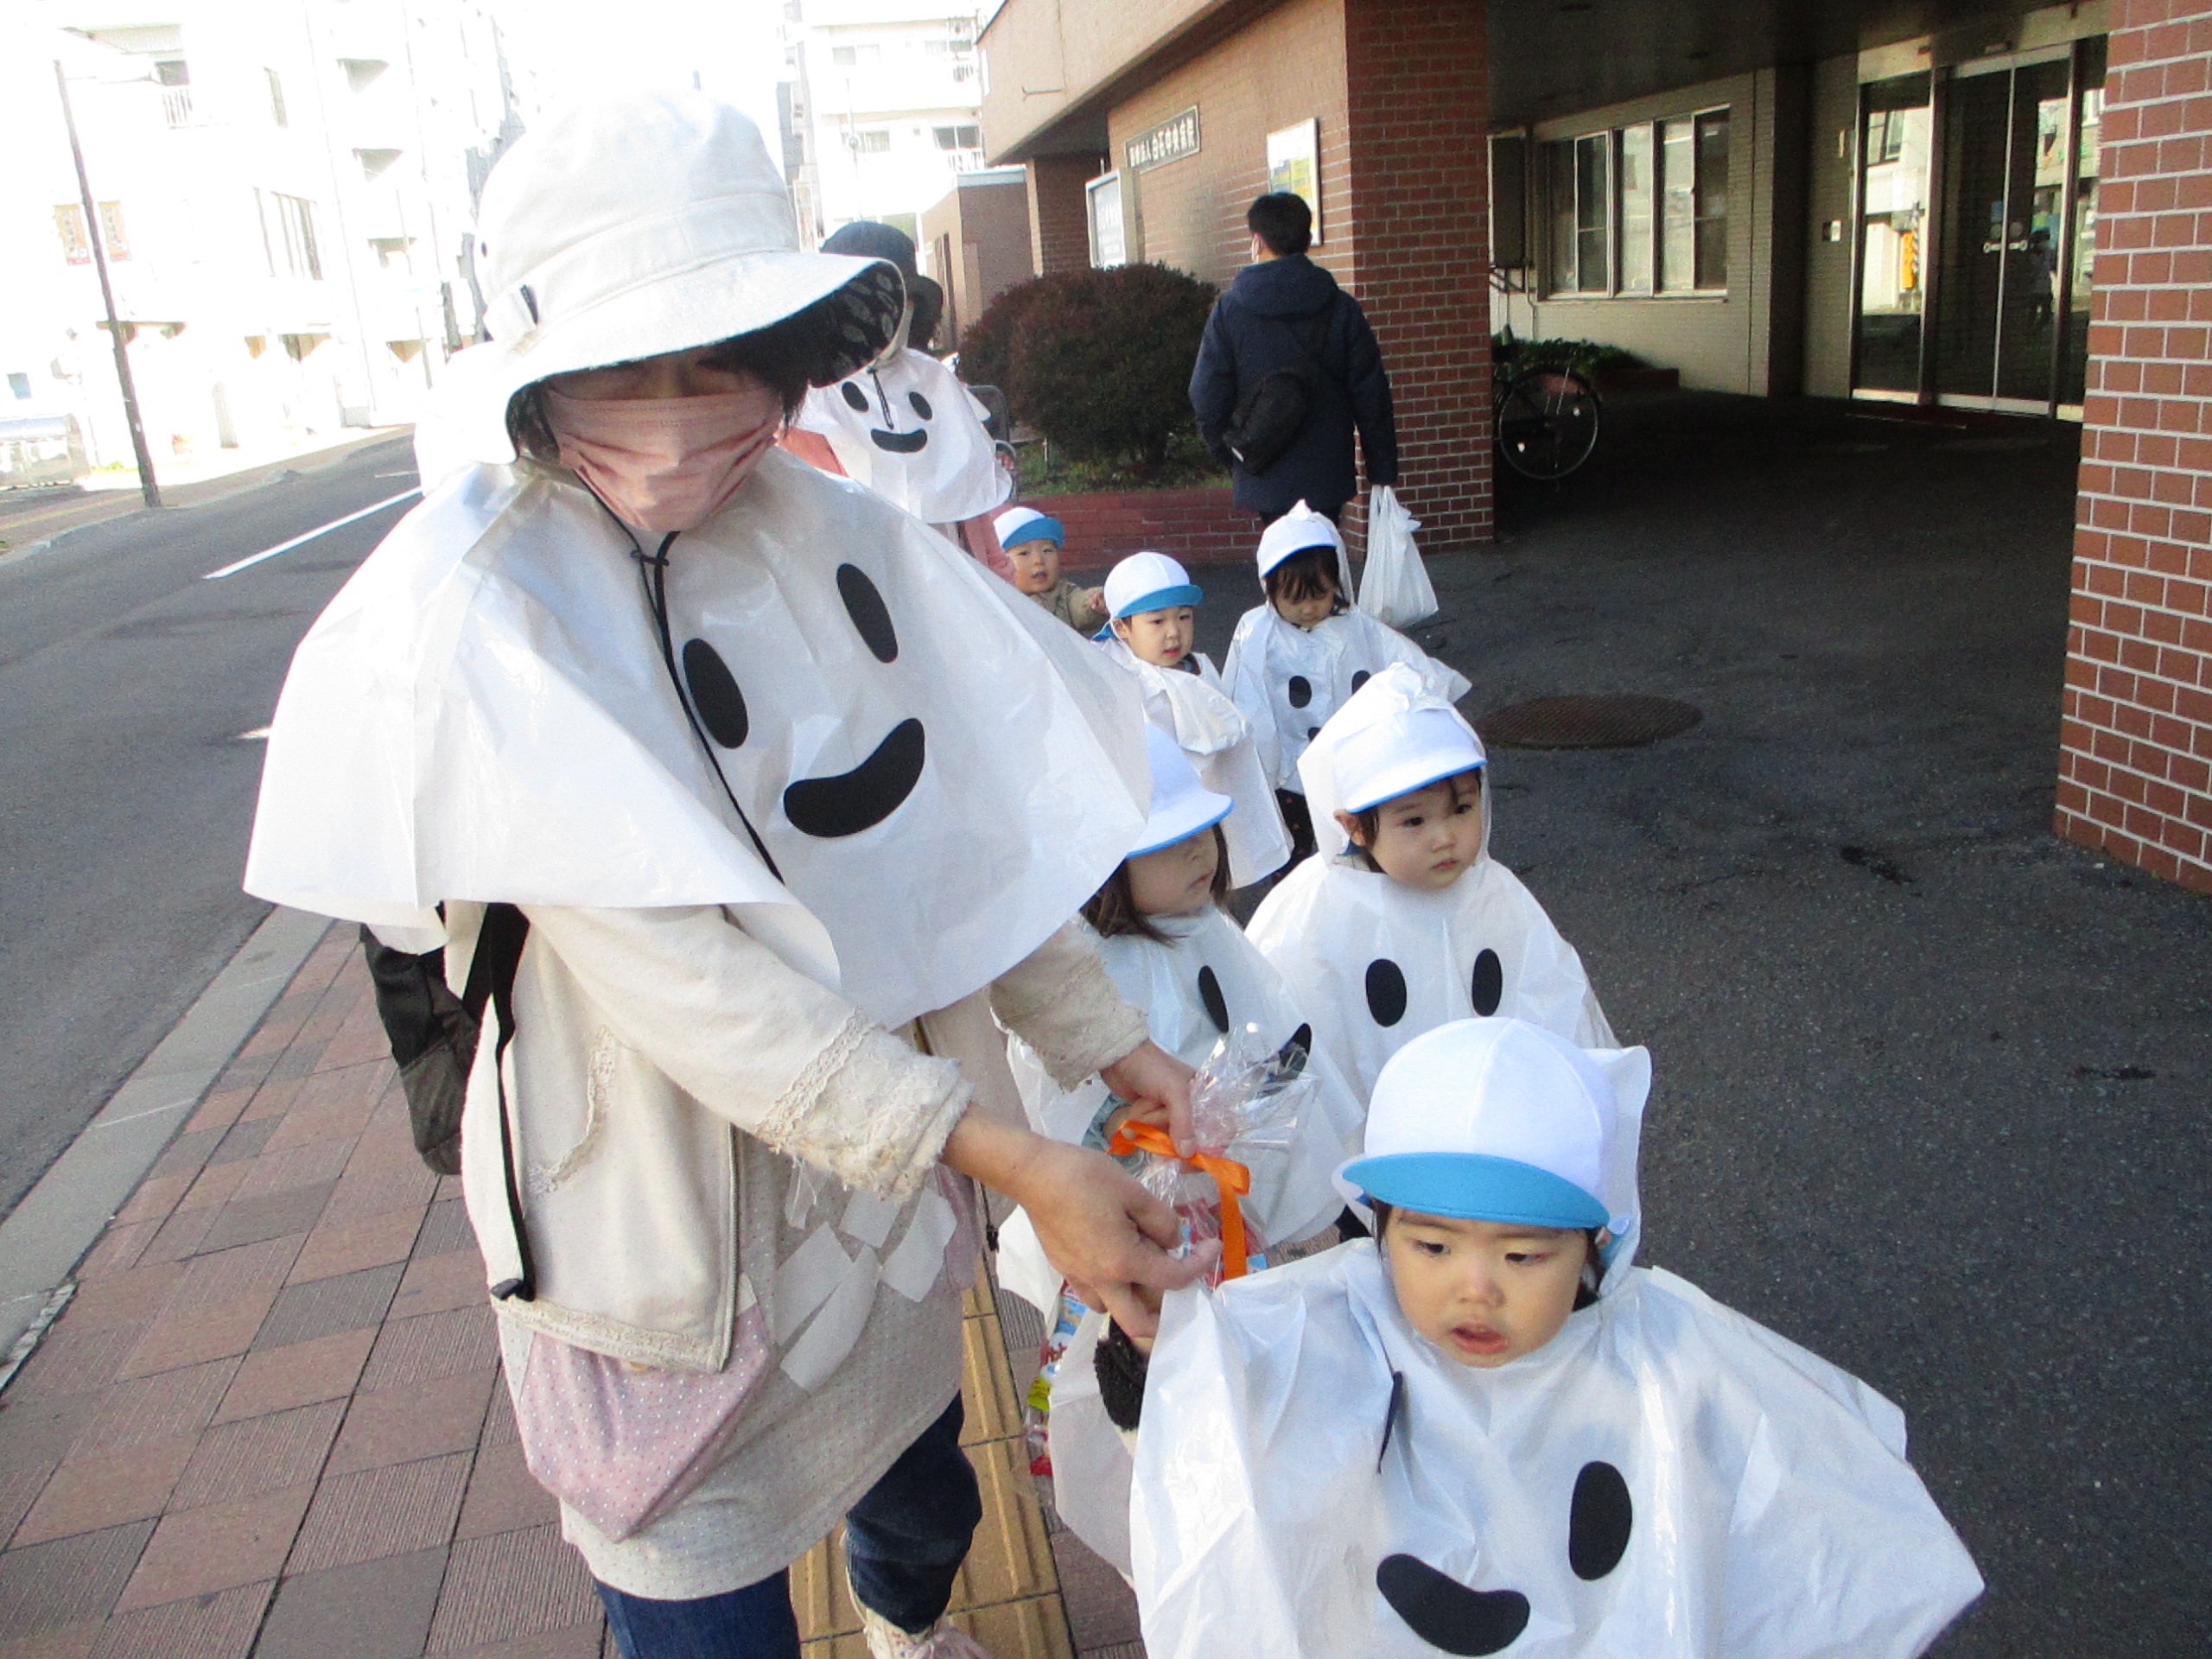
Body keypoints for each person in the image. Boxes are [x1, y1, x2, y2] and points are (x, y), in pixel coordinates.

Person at [243, 93, 1211, 1659]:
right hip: (660, 1250)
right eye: (635, 365)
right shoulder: (490, 617)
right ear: (543, 375)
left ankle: (911, 1630)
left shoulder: (826, 527)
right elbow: (697, 994)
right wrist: (1024, 1162)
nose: (686, 413)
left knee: (924, 1503)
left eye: (723, 358)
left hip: (878, 1203)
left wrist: (1124, 1047)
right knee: (701, 1618)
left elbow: (960, 825)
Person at [1125, 1017, 1986, 1659]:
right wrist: (1151, 1356)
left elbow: (1805, 1511)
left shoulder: (1659, 1357)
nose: (1475, 1284)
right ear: (1377, 1230)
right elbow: (1221, 1414)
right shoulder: (1343, 1315)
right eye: (1430, 1245)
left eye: (1524, 1253)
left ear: (1595, 1251)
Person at [996, 728, 1360, 1574]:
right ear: (1105, 869)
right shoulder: (1088, 973)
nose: (1202, 854)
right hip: (1149, 1219)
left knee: (1243, 1357)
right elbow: (1068, 1095)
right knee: (1147, 1364)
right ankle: (1176, 1529)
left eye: (1204, 833)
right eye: (1172, 843)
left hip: (1229, 1210)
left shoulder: (1207, 930)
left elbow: (1274, 1033)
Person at [1249, 664, 1612, 1106]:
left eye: (1461, 809)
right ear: (1354, 826)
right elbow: (1288, 1035)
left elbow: (1558, 1008)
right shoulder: (1313, 912)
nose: (1445, 837)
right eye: (1415, 820)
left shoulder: (1494, 894)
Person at [1223, 504, 1469, 865]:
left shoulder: (1355, 625)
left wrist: (1427, 694)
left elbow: (1403, 665)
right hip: (1289, 773)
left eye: (1319, 595)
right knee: (1295, 846)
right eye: (1294, 599)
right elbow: (1242, 695)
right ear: (1269, 588)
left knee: (1356, 837)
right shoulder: (1259, 632)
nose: (1308, 609)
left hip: (1354, 765)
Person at [788, 220, 1015, 580]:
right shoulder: (806, 399)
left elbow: (973, 507)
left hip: (960, 594)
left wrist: (1000, 590)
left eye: (897, 300)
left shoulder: (936, 382)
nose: (881, 316)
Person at [1189, 191, 1398, 526]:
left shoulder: (1230, 310)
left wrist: (1231, 454)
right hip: (1327, 473)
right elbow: (1371, 396)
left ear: (1257, 242)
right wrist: (1382, 470)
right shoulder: (1340, 307)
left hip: (1263, 468)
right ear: (1307, 239)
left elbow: (1206, 394)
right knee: (1325, 564)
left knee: (1279, 567)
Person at [1096, 552, 1290, 889]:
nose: (1174, 633)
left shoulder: (1198, 666)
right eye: (1157, 622)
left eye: (1184, 617)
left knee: (1212, 875)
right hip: (1158, 814)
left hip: (1208, 803)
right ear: (1121, 627)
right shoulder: (1122, 680)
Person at [995, 504, 1105, 632]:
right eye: (1024, 553)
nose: (1038, 560)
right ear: (1001, 564)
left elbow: (1079, 603)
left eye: (1047, 550)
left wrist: (1095, 601)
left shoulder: (1064, 594)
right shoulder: (997, 603)